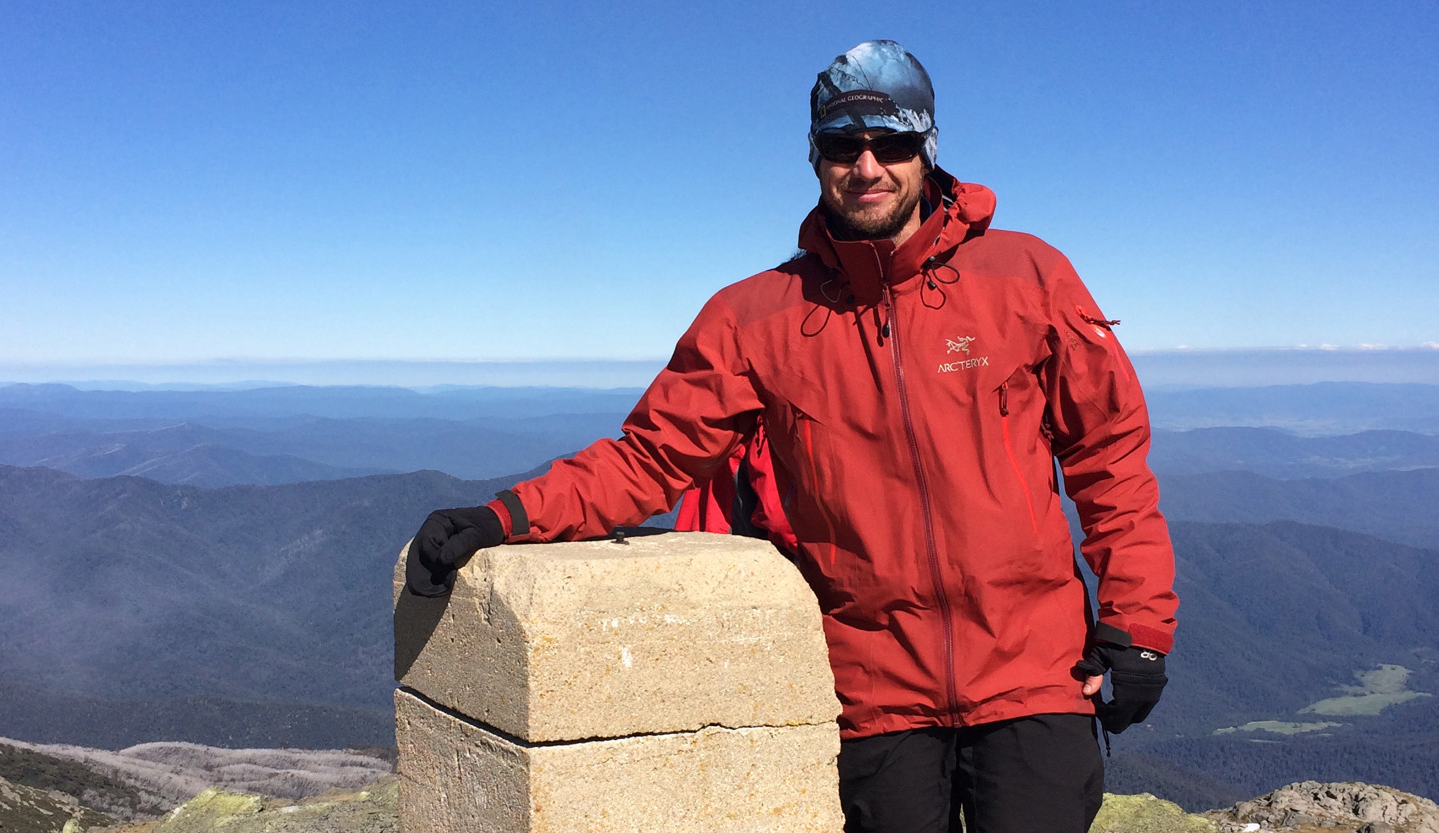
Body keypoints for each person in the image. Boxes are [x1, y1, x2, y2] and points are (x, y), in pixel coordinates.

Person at [407, 40, 1178, 833]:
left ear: (929, 152)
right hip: (876, 693)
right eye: (844, 145)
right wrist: (505, 518)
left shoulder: (1027, 277)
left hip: (1035, 672)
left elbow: (1109, 459)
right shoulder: (756, 318)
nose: (868, 166)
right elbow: (649, 457)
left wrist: (1140, 626)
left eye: (894, 143)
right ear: (816, 158)